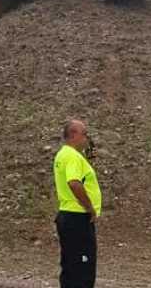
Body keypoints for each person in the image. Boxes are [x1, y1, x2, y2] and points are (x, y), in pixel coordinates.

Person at [53, 120, 101, 288]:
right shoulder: (72, 156)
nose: (87, 138)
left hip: (67, 216)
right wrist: (90, 208)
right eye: (84, 134)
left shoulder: (63, 154)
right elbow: (74, 183)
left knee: (70, 266)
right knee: (83, 268)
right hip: (78, 218)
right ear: (73, 134)